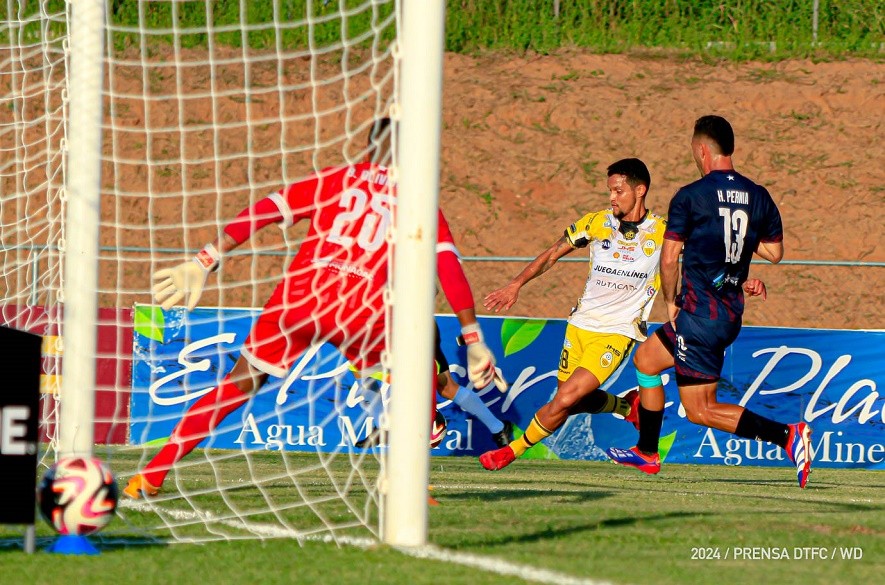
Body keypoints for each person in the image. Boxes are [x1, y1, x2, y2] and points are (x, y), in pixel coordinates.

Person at [124, 117, 503, 498]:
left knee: (239, 383)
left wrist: (206, 259)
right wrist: (472, 337)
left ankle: (152, 474)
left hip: (299, 299)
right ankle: (406, 484)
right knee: (418, 378)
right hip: (363, 309)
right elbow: (447, 266)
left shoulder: (335, 179)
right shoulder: (418, 200)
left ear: (371, 147)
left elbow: (266, 209)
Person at [606, 115, 813, 488]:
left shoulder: (691, 196)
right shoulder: (758, 195)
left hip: (699, 315)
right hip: (726, 312)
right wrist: (738, 263)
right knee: (647, 359)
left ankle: (788, 435)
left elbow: (669, 258)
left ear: (702, 150)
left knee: (700, 410)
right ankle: (647, 451)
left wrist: (671, 303)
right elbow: (775, 252)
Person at [479, 158, 666, 471]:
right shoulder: (597, 222)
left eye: (618, 191)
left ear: (640, 190)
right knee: (574, 400)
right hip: (579, 326)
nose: (612, 197)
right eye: (610, 191)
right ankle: (627, 404)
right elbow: (553, 253)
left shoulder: (663, 233)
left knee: (565, 397)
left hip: (617, 332)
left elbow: (708, 256)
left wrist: (741, 280)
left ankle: (512, 450)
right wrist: (517, 283)